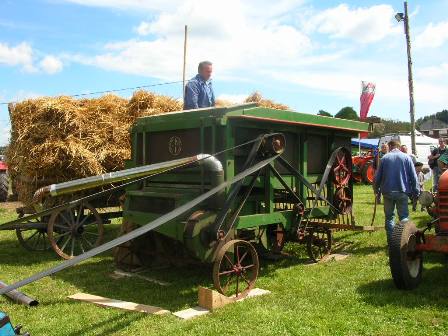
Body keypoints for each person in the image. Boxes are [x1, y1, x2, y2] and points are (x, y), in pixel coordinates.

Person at [374, 140, 419, 244]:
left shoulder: (385, 158)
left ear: (390, 146)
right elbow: (413, 177)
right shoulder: (406, 157)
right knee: (403, 217)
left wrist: (376, 190)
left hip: (388, 192)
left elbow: (377, 177)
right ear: (399, 146)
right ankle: (405, 242)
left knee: (389, 217)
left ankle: (391, 243)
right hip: (402, 191)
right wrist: (416, 192)